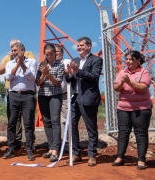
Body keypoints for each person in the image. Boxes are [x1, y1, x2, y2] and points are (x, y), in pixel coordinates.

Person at [65, 37, 103, 166]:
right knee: (72, 126)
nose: (79, 48)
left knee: (90, 127)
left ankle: (92, 154)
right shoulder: (74, 60)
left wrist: (78, 71)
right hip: (74, 99)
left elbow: (94, 77)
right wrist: (70, 74)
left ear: (89, 46)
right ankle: (76, 153)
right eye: (78, 46)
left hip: (88, 99)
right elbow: (70, 80)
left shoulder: (96, 60)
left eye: (81, 45)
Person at [112, 50, 152, 170]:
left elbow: (143, 88)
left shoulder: (144, 72)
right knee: (123, 132)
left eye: (130, 59)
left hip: (141, 108)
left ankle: (141, 159)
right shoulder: (122, 72)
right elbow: (116, 88)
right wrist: (122, 82)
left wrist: (130, 82)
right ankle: (120, 157)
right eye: (127, 59)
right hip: (123, 108)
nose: (128, 61)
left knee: (140, 133)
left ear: (138, 60)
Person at [0, 39, 36, 150]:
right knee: (12, 122)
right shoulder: (9, 62)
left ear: (22, 51)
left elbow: (31, 77)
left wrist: (21, 64)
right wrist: (16, 64)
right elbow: (8, 77)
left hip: (27, 95)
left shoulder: (31, 61)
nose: (13, 52)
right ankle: (11, 148)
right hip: (13, 94)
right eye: (12, 50)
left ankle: (29, 148)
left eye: (16, 50)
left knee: (28, 123)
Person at [36, 43, 64, 162]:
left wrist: (49, 74)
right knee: (46, 121)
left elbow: (57, 82)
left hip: (55, 95)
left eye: (52, 54)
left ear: (55, 53)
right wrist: (43, 73)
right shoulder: (41, 65)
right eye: (47, 54)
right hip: (43, 95)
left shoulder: (60, 64)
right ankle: (51, 147)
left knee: (55, 120)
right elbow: (38, 82)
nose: (50, 56)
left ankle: (56, 150)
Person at [55, 45, 71, 142]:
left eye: (57, 51)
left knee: (64, 120)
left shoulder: (67, 62)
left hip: (64, 95)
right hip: (53, 96)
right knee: (54, 119)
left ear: (62, 53)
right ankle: (56, 143)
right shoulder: (49, 63)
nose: (55, 53)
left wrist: (62, 69)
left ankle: (66, 142)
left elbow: (71, 73)